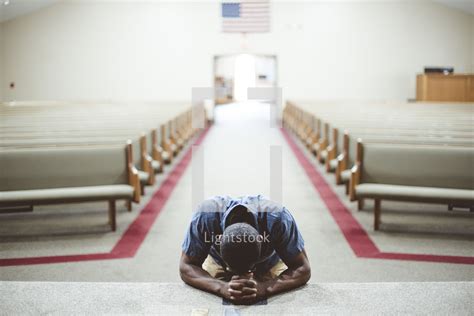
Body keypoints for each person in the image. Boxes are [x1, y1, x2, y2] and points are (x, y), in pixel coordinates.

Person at [179, 195, 311, 305]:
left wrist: (265, 288)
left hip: (268, 263)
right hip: (218, 262)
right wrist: (220, 287)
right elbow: (186, 265)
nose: (241, 277)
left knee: (275, 305)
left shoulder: (278, 219)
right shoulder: (205, 216)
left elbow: (303, 268)